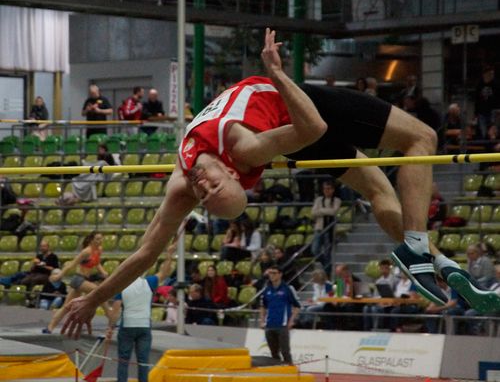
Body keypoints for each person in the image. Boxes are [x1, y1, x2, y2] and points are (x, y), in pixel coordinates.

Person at [61, 28, 499, 339]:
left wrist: (93, 298)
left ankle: (436, 262)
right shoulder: (244, 149)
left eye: (205, 190)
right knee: (422, 137)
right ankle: (419, 245)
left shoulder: (184, 181)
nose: (202, 188)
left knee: (380, 191)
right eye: (210, 194)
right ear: (233, 173)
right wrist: (278, 74)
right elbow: (313, 126)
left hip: (290, 131)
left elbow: (143, 253)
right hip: (302, 114)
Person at [106, 244, 175, 382]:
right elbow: (165, 273)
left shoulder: (121, 285)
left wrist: (110, 327)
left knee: (123, 361)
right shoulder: (149, 282)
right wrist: (169, 255)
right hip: (144, 325)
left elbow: (116, 310)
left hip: (128, 326)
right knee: (143, 362)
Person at [44, 231, 110, 333]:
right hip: (79, 279)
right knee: (99, 292)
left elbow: (97, 263)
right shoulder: (86, 252)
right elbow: (71, 265)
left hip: (85, 280)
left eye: (101, 238)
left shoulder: (99, 250)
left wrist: (103, 272)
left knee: (67, 307)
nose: (100, 241)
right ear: (92, 240)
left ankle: (50, 327)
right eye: (97, 239)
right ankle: (110, 316)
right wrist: (59, 276)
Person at [259, 265, 300, 364]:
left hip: (282, 325)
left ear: (280, 274)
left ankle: (290, 374)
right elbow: (263, 306)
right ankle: (278, 373)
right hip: (269, 325)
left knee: (285, 352)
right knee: (273, 353)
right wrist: (262, 320)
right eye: (270, 273)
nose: (271, 275)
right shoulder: (267, 290)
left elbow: (297, 306)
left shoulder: (287, 289)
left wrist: (291, 321)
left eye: (274, 273)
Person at [311, 180, 341, 272]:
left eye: (328, 189)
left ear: (332, 190)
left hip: (329, 229)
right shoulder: (318, 200)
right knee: (315, 250)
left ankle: (327, 272)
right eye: (325, 189)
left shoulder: (337, 200)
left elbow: (334, 212)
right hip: (319, 228)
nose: (326, 191)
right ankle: (326, 265)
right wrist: (326, 210)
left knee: (328, 252)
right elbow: (313, 212)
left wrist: (321, 210)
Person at [475, 65, 500, 138]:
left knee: (492, 130)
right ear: (485, 74)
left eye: (492, 74)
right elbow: (477, 99)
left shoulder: (496, 84)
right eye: (490, 74)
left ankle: (492, 142)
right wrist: (476, 113)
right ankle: (486, 143)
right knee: (483, 131)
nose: (491, 76)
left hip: (493, 111)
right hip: (482, 112)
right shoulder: (480, 84)